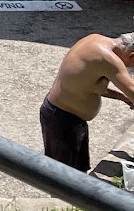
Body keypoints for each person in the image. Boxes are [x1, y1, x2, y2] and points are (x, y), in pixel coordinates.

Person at [40, 32, 134, 171]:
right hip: (61, 120)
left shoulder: (95, 40)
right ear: (132, 56)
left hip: (68, 118)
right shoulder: (108, 59)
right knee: (63, 178)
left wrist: (122, 97)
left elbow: (88, 84)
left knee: (78, 174)